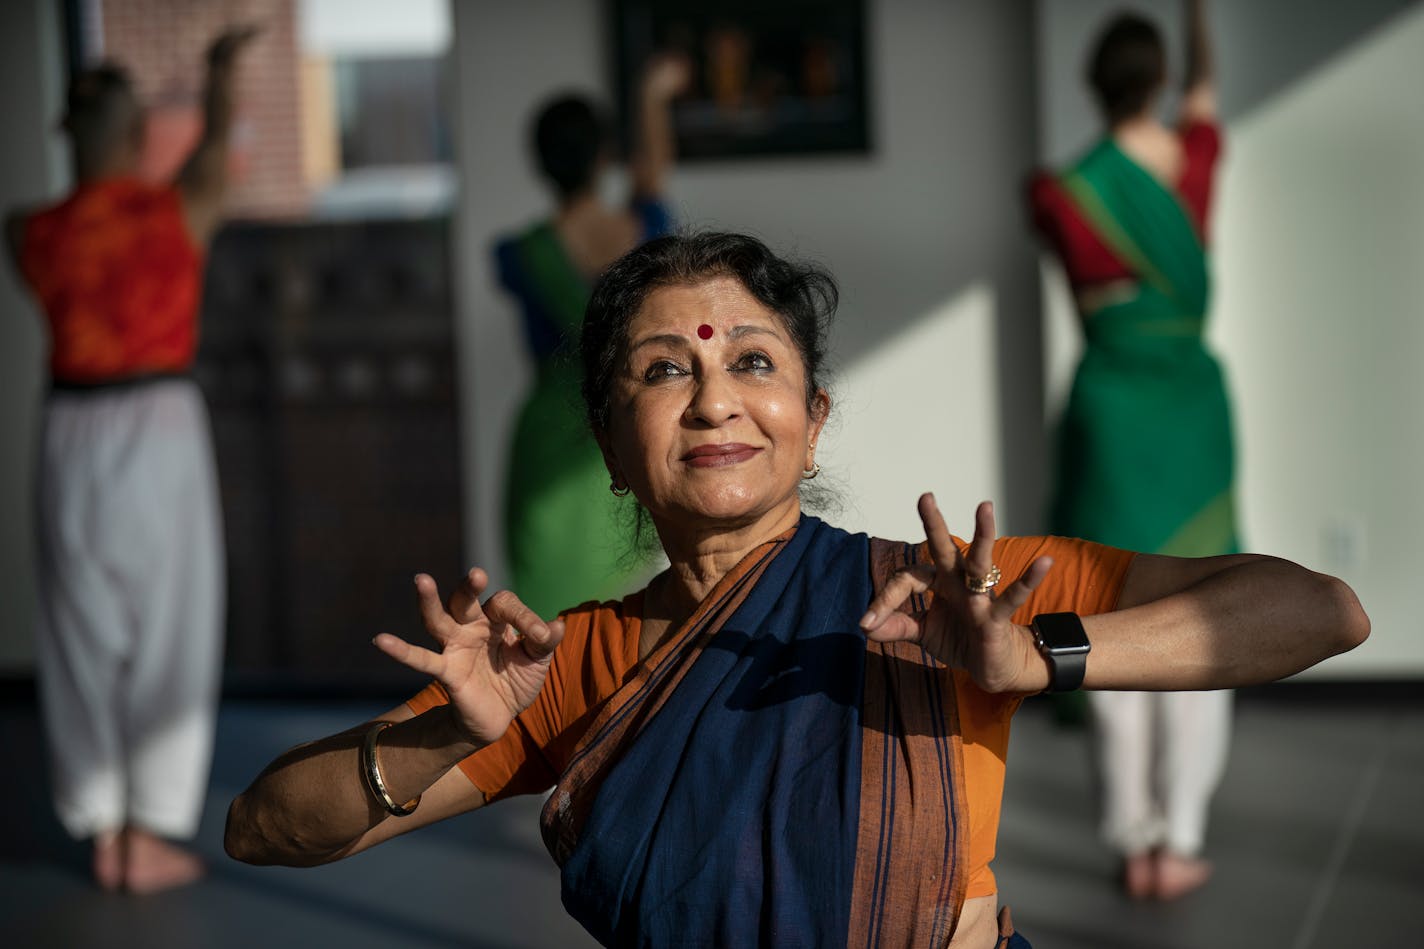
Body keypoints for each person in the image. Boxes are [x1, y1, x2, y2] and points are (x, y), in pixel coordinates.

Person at [225, 232, 1368, 948]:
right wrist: (439, 742)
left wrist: (1036, 654)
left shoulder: (948, 596)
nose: (715, 400)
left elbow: (1318, 610)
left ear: (810, 419)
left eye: (752, 361)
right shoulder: (564, 666)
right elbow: (262, 828)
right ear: (612, 448)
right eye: (664, 369)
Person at [5, 27, 257, 894]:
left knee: (79, 631)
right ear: (137, 132)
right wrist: (220, 75)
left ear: (63, 130)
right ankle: (146, 832)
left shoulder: (26, 232)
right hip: (158, 423)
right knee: (172, 628)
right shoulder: (177, 210)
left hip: (69, 428)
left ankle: (103, 826)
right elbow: (217, 147)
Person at [1026, 0, 1235, 901]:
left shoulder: (1058, 194)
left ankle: (1130, 837)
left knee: (1106, 611)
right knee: (1201, 613)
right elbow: (1208, 96)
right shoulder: (1195, 165)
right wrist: (1197, 15)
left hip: (1108, 416)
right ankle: (1179, 838)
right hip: (1189, 416)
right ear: (1156, 83)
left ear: (1091, 85)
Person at [493, 55, 689, 619]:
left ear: (540, 163)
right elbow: (652, 175)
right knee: (622, 612)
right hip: (627, 427)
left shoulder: (520, 254)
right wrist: (652, 95)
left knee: (542, 612)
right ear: (604, 156)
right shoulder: (644, 234)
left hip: (547, 435)